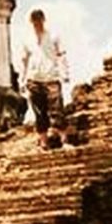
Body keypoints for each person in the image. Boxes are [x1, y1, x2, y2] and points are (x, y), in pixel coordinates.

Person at [21, 8, 69, 149]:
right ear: (31, 21)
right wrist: (22, 80)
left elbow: (61, 55)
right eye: (34, 20)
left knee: (57, 109)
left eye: (39, 19)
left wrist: (65, 73)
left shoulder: (54, 36)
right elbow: (24, 60)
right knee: (39, 112)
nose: (37, 22)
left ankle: (64, 140)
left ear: (43, 19)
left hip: (51, 77)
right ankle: (43, 142)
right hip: (34, 79)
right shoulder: (27, 39)